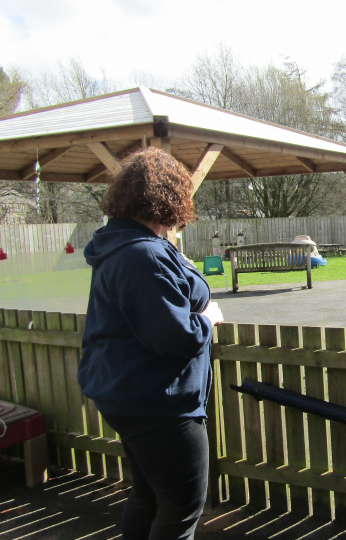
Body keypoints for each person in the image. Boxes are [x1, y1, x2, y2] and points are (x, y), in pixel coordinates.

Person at [78, 147, 224, 540]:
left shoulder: (127, 245)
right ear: (169, 198)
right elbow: (173, 336)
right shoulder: (141, 254)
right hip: (158, 402)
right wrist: (208, 319)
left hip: (128, 393)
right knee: (180, 510)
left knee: (147, 496)